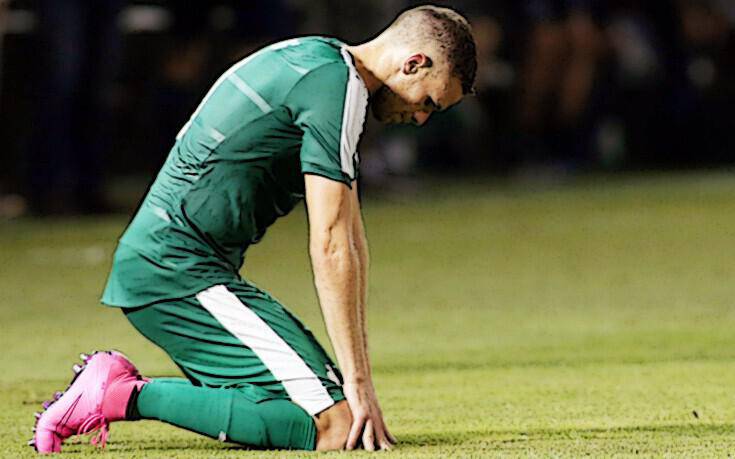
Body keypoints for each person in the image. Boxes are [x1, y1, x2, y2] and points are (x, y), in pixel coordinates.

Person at [29, 5, 477, 454]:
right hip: (176, 269)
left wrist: (357, 379)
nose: (421, 118)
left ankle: (128, 391)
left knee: (318, 412)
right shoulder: (335, 87)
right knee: (336, 427)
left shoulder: (320, 61)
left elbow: (352, 239)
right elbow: (332, 244)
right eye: (428, 102)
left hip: (181, 267)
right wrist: (358, 385)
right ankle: (115, 393)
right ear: (413, 62)